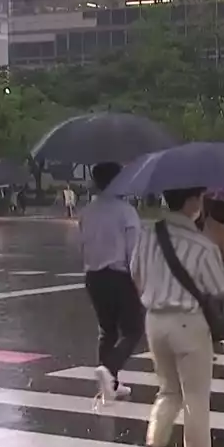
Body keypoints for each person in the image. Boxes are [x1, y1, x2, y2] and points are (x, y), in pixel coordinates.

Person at [129, 187, 224, 447]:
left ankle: (152, 446)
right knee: (196, 396)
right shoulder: (201, 246)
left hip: (155, 321)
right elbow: (218, 288)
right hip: (189, 322)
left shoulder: (147, 235)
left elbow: (135, 274)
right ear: (191, 202)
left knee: (168, 390)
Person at [78, 162, 144, 402]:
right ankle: (110, 370)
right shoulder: (126, 212)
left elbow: (83, 245)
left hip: (94, 277)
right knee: (133, 330)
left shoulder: (87, 211)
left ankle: (110, 384)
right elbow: (133, 253)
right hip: (120, 277)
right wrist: (140, 284)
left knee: (107, 331)